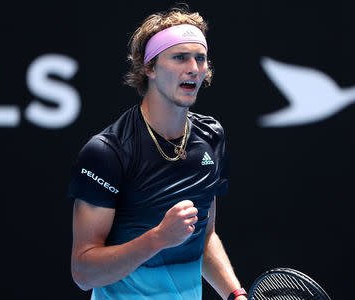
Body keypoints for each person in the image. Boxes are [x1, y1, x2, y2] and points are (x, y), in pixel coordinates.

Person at [68, 7, 248, 300]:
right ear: (149, 68)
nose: (193, 68)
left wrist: (234, 294)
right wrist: (158, 239)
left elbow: (204, 238)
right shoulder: (106, 152)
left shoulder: (212, 137)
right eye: (179, 57)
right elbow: (83, 273)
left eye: (199, 58)